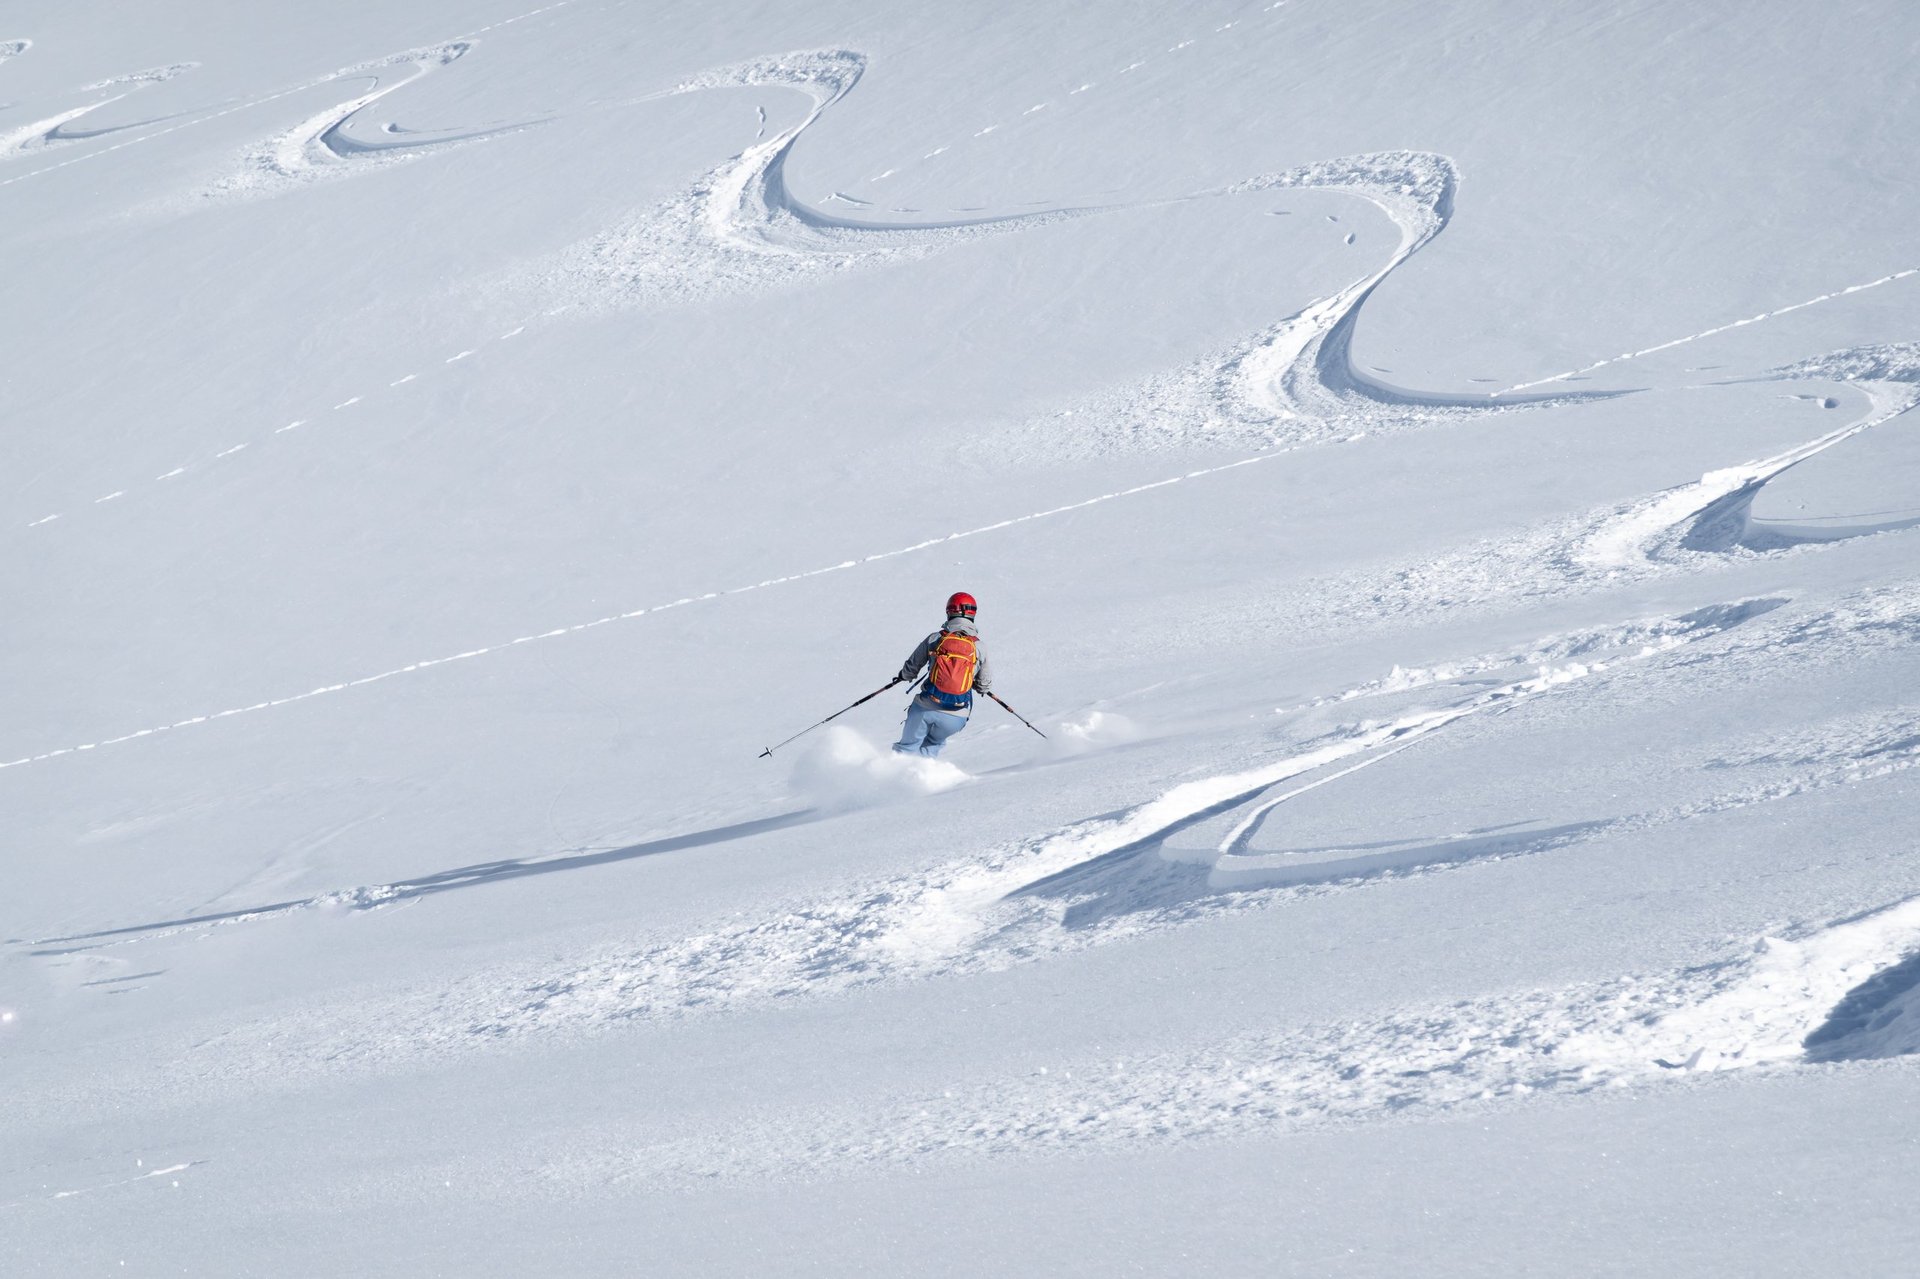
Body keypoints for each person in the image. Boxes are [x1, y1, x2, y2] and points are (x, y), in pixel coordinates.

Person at [893, 592, 994, 757]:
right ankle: (923, 770)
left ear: (949, 612)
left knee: (906, 749)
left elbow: (912, 667)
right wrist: (978, 685)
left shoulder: (934, 638)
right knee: (931, 746)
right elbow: (984, 684)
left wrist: (903, 676)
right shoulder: (979, 646)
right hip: (956, 716)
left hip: (925, 707)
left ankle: (894, 770)